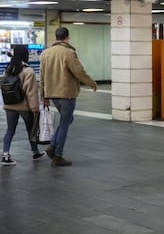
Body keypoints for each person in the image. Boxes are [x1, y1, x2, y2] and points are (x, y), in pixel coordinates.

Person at [40, 27, 97, 167]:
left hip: (52, 94)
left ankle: (52, 145)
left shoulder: (45, 53)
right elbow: (79, 71)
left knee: (68, 119)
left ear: (56, 37)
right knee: (65, 123)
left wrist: (43, 95)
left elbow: (41, 76)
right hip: (66, 94)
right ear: (67, 37)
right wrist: (91, 83)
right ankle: (58, 155)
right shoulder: (69, 53)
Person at [2, 46, 44, 165]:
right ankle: (35, 152)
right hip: (24, 106)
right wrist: (35, 108)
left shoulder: (8, 69)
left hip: (9, 105)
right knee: (31, 130)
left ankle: (5, 155)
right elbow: (31, 92)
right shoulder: (28, 70)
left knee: (10, 130)